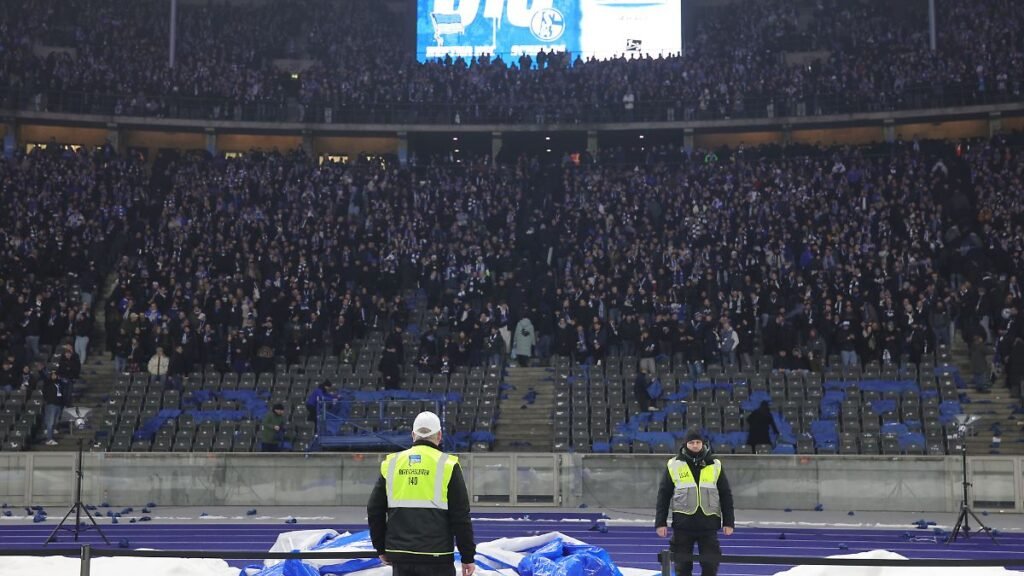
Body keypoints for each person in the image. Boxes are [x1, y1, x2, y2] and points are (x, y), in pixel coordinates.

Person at [367, 411, 476, 576]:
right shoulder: (448, 464)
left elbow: (374, 510)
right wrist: (467, 556)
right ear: (439, 436)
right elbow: (460, 515)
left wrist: (381, 547)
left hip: (401, 556)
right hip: (437, 556)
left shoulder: (392, 463)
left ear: (413, 435)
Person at [656, 428, 735, 576]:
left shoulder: (715, 464)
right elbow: (664, 495)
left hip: (708, 524)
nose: (695, 445)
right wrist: (660, 522)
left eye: (698, 442)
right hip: (683, 525)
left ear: (703, 443)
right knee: (682, 568)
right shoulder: (674, 464)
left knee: (710, 566)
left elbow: (725, 494)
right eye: (691, 442)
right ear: (685, 444)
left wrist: (729, 522)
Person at [42, 369, 68, 446]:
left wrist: (64, 403)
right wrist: (49, 400)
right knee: (51, 422)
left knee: (56, 421)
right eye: (52, 375)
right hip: (51, 404)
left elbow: (64, 391)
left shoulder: (60, 383)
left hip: (59, 404)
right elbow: (44, 392)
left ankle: (50, 434)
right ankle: (49, 439)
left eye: (55, 374)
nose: (54, 376)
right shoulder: (48, 382)